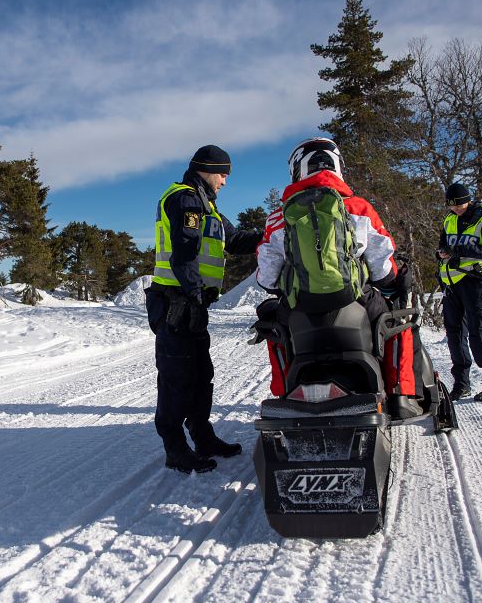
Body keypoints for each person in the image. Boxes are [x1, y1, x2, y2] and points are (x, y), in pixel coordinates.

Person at [255, 137, 416, 410]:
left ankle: (283, 394)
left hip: (300, 307)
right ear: (337, 166)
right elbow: (382, 266)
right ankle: (401, 394)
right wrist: (388, 280)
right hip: (354, 300)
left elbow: (267, 277)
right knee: (396, 323)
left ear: (298, 170)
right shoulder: (359, 207)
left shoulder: (278, 216)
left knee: (273, 327)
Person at [145, 144, 263, 474]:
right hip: (176, 304)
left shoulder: (205, 205)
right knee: (177, 378)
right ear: (207, 170)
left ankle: (203, 435)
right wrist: (196, 297)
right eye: (223, 174)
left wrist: (272, 234)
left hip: (191, 304)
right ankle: (175, 449)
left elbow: (235, 239)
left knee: (201, 376)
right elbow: (184, 253)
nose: (225, 181)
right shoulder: (185, 200)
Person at [437, 182, 482, 402]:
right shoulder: (449, 219)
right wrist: (442, 253)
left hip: (475, 281)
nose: (456, 208)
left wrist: (460, 250)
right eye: (452, 205)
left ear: (469, 199)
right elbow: (443, 246)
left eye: (460, 204)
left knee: (478, 332)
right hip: (452, 283)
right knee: (455, 335)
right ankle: (461, 385)